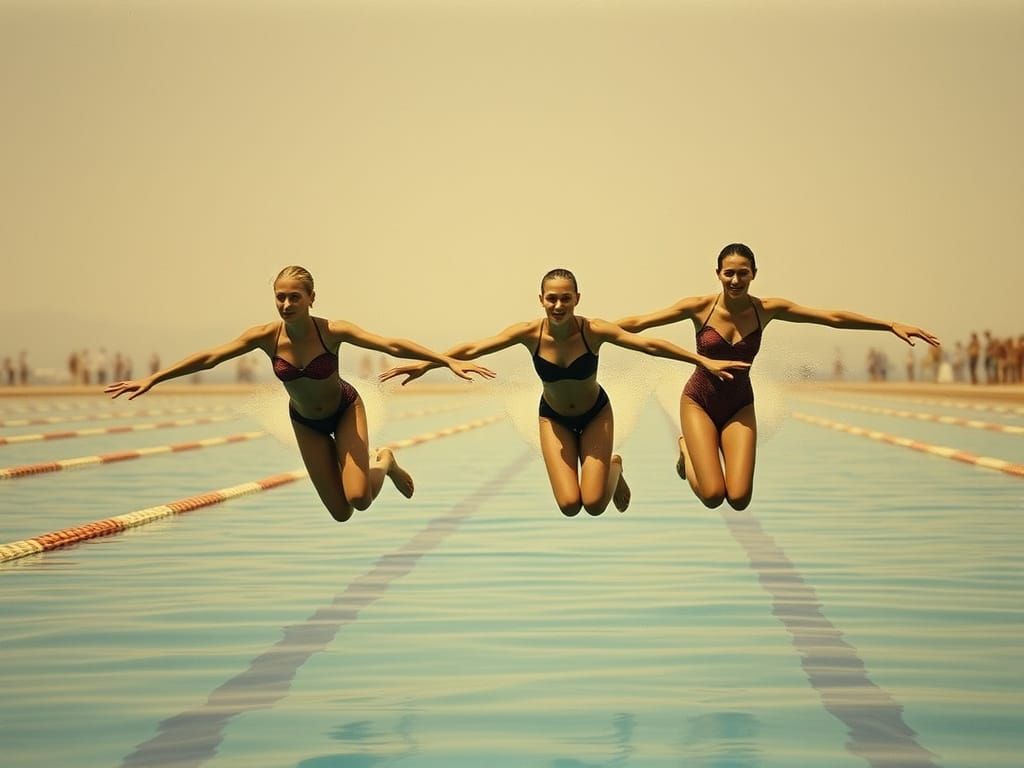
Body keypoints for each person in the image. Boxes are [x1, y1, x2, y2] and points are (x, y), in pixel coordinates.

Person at [105, 266, 493, 522]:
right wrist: (155, 377)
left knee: (359, 499)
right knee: (341, 514)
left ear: (311, 298)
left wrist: (446, 361)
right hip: (305, 422)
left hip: (344, 408)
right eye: (280, 297)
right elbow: (210, 357)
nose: (286, 304)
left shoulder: (332, 330)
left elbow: (390, 344)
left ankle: (384, 461)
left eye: (294, 297)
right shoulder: (264, 336)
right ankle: (381, 463)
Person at [380, 268, 749, 517]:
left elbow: (649, 344)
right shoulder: (528, 332)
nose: (559, 305)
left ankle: (614, 468)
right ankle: (612, 469)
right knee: (570, 505)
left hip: (595, 416)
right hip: (553, 418)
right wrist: (430, 364)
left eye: (566, 298)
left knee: (593, 505)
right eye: (552, 299)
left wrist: (703, 361)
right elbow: (474, 347)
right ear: (540, 299)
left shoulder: (593, 330)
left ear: (577, 298)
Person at [615, 243, 940, 511]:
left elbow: (831, 317)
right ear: (718, 274)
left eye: (743, 273)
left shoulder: (766, 309)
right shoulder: (699, 307)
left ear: (754, 274)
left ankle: (694, 455)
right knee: (713, 496)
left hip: (739, 405)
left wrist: (888, 324)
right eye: (729, 273)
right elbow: (640, 322)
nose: (735, 280)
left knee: (739, 500)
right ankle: (686, 451)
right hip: (699, 401)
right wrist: (582, 329)